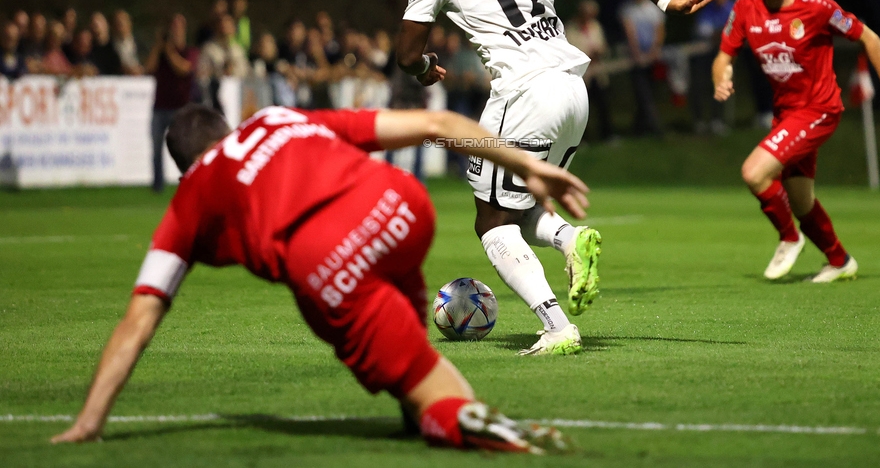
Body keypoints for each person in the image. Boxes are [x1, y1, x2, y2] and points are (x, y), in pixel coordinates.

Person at [50, 103, 585, 454]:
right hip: (402, 206)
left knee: (428, 390)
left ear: (184, 167)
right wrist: (525, 165)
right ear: (229, 130)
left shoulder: (192, 196)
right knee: (408, 346)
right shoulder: (276, 120)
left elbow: (141, 314)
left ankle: (486, 427)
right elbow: (435, 124)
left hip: (330, 258)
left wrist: (90, 420)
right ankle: (418, 406)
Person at [397, 0, 711, 355]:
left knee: (490, 222)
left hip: (524, 94)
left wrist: (422, 70)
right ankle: (569, 237)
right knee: (517, 207)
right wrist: (668, 1)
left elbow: (405, 53)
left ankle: (557, 326)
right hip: (572, 89)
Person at [712, 0, 880, 283]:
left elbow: (870, 38)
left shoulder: (816, 6)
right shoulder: (745, 6)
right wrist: (721, 78)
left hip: (819, 108)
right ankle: (839, 259)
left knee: (754, 173)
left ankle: (789, 237)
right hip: (786, 115)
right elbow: (723, 57)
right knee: (802, 202)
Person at [144, 14, 197, 192]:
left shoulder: (190, 51)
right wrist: (158, 47)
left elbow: (182, 68)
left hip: (180, 107)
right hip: (160, 106)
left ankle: (190, 180)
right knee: (156, 147)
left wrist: (167, 50)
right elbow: (149, 68)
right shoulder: (161, 52)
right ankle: (157, 184)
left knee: (185, 148)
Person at [565, 0, 614, 141]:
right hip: (581, 75)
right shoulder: (570, 29)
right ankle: (582, 139)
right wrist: (588, 55)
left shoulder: (595, 26)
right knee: (581, 108)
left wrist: (600, 52)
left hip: (598, 73)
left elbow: (603, 45)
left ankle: (607, 135)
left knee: (603, 104)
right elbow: (570, 51)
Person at [620, 0, 666, 136]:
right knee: (643, 94)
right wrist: (637, 53)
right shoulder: (628, 10)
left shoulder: (654, 9)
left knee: (651, 93)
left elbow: (659, 31)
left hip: (653, 57)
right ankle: (655, 128)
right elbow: (630, 33)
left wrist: (653, 52)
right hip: (636, 58)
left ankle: (639, 128)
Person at [690, 0, 733, 135]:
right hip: (704, 55)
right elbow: (703, 31)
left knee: (720, 85)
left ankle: (717, 121)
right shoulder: (706, 10)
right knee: (700, 86)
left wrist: (720, 33)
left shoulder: (731, 8)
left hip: (722, 55)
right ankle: (700, 121)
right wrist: (721, 32)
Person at [112, 10, 144, 75]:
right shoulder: (110, 46)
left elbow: (146, 61)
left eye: (123, 21)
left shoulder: (140, 43)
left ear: (129, 23)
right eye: (117, 22)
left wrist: (140, 69)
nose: (120, 24)